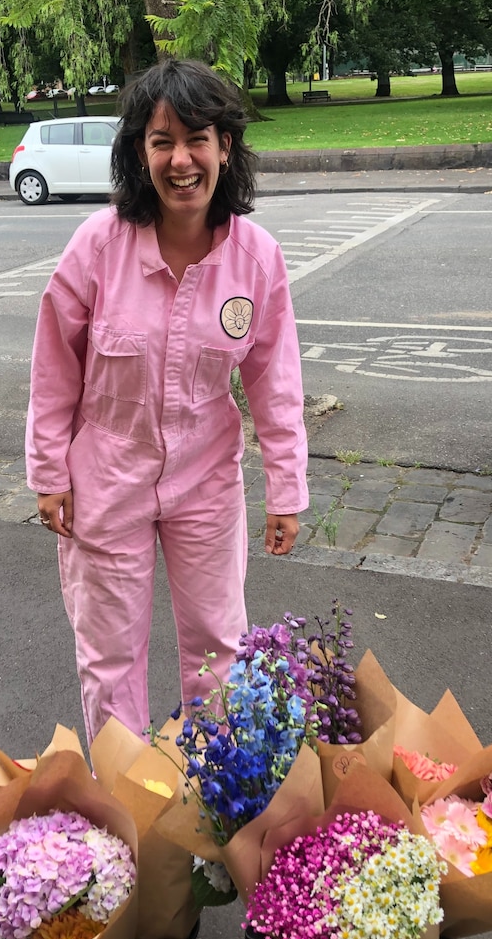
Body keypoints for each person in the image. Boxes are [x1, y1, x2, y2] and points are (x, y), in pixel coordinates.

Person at [25, 58, 308, 745]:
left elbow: (275, 379)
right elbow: (55, 366)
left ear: (225, 147)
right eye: (161, 141)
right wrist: (48, 472)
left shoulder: (257, 258)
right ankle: (126, 817)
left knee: (220, 648)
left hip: (206, 480)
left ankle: (211, 807)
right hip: (105, 478)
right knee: (110, 659)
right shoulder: (98, 244)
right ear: (139, 153)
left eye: (197, 139)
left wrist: (286, 487)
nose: (181, 160)